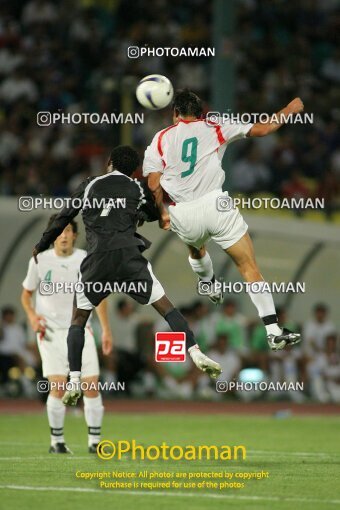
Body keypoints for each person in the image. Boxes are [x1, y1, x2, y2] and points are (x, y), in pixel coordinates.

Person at [32, 146, 222, 406]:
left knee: (78, 318)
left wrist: (42, 244)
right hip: (129, 258)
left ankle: (74, 380)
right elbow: (155, 214)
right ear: (134, 170)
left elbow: (65, 215)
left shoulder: (89, 185)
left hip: (98, 259)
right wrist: (143, 212)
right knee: (166, 308)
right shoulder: (137, 188)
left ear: (109, 162)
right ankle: (195, 351)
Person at [143, 89, 303, 351]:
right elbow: (263, 130)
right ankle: (273, 331)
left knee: (196, 247)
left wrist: (162, 213)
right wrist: (289, 109)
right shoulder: (214, 126)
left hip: (182, 211)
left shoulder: (160, 138)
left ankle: (207, 282)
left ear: (175, 114)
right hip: (216, 205)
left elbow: (153, 183)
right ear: (201, 113)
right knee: (249, 267)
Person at [22, 215, 113, 454]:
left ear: (75, 235)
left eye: (67, 231)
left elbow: (99, 296)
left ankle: (94, 442)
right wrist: (32, 316)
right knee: (58, 386)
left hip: (82, 331)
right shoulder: (39, 260)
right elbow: (26, 294)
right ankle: (57, 442)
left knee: (91, 385)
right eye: (58, 232)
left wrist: (106, 330)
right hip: (51, 332)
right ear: (52, 235)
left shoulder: (86, 259)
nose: (63, 236)